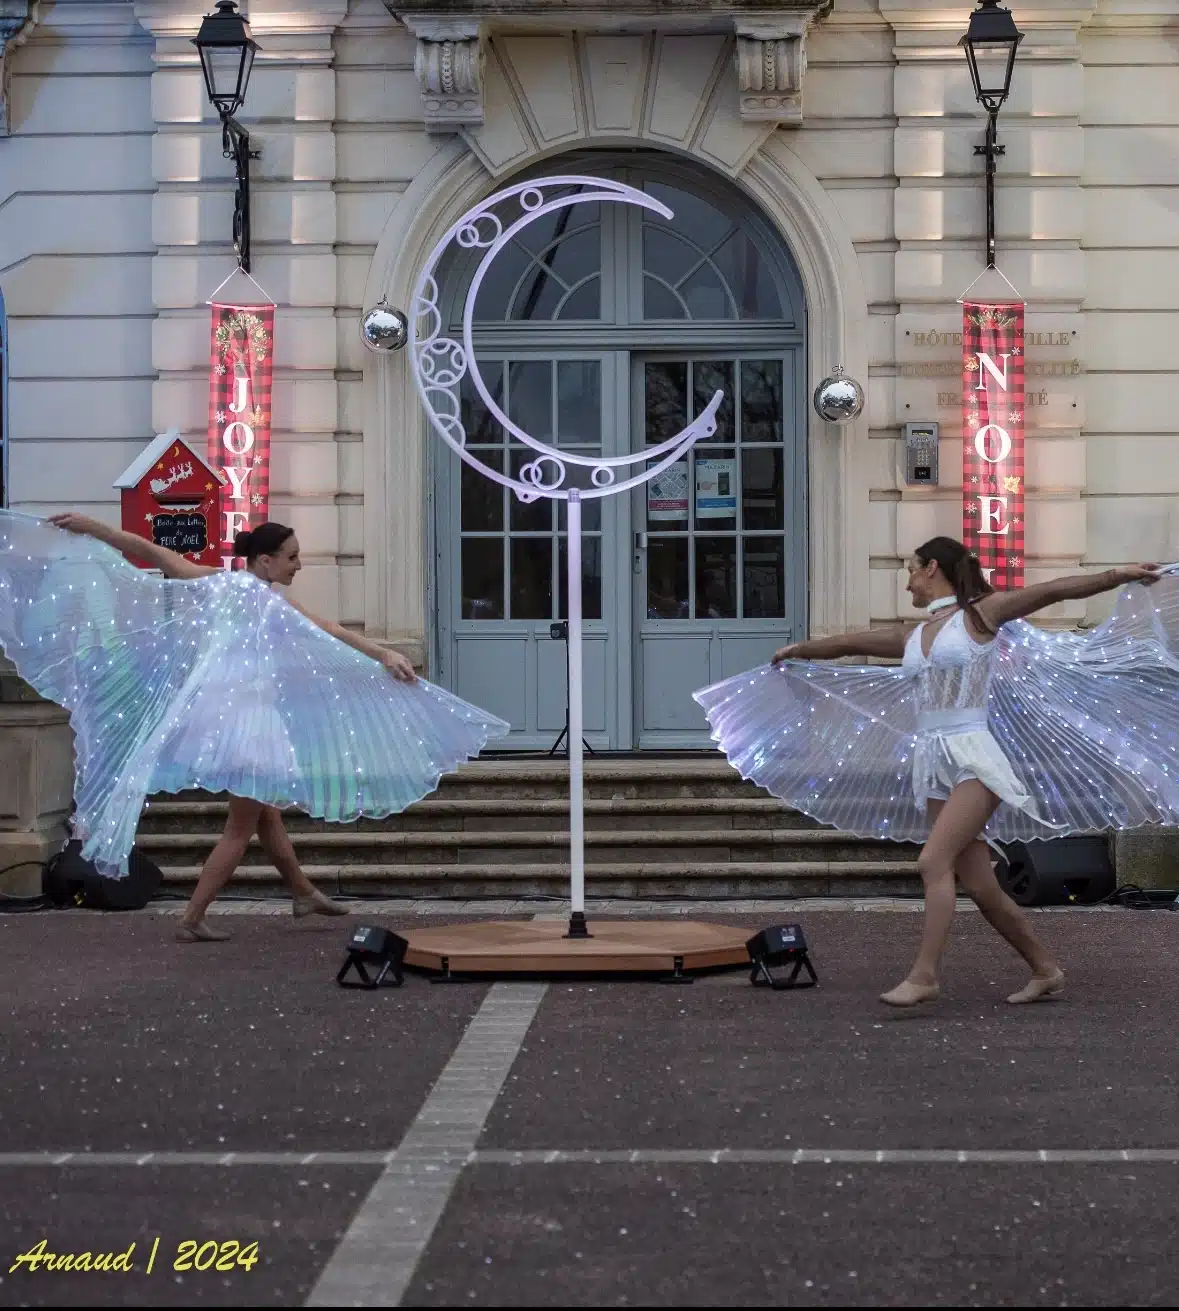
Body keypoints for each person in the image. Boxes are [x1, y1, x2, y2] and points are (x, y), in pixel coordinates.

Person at [695, 536, 1172, 1008]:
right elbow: (848, 642)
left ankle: (925, 976)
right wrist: (801, 649)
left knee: (931, 863)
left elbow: (1055, 591)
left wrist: (1119, 575)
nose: (907, 582)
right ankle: (1046, 969)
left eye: (911, 569)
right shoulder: (914, 635)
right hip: (935, 761)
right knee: (982, 886)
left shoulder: (981, 614)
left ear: (932, 569)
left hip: (974, 757)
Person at [0, 511, 508, 942]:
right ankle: (193, 916)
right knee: (240, 827)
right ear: (265, 561)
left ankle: (303, 894)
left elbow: (148, 551)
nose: (298, 564)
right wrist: (384, 655)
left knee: (265, 812)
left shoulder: (217, 584)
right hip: (247, 725)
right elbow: (329, 631)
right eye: (291, 556)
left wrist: (93, 528)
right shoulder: (267, 599)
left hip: (220, 720)